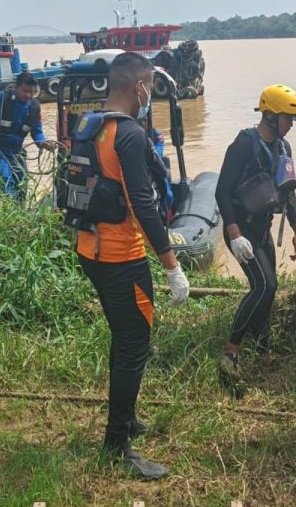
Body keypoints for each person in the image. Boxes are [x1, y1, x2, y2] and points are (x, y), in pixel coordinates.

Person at [69, 52, 190, 479]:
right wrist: (172, 266)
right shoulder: (131, 135)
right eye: (151, 87)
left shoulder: (91, 125)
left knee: (124, 340)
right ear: (140, 87)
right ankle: (116, 444)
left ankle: (128, 418)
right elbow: (142, 204)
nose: (150, 95)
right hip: (121, 257)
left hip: (89, 248)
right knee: (135, 346)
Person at [215, 84, 296, 380]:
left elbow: (287, 190)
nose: (291, 125)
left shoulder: (283, 148)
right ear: (269, 116)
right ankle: (231, 352)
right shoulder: (243, 145)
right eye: (288, 118)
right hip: (241, 229)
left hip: (262, 227)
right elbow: (222, 191)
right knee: (263, 286)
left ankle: (262, 348)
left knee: (270, 288)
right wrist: (234, 234)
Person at [0, 71, 55, 201]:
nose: (28, 95)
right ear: (16, 87)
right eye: (25, 91)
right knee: (4, 180)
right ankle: (8, 209)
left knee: (22, 183)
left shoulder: (34, 108)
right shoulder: (1, 98)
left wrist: (43, 143)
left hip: (16, 152)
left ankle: (19, 209)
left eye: (32, 92)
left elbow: (37, 132)